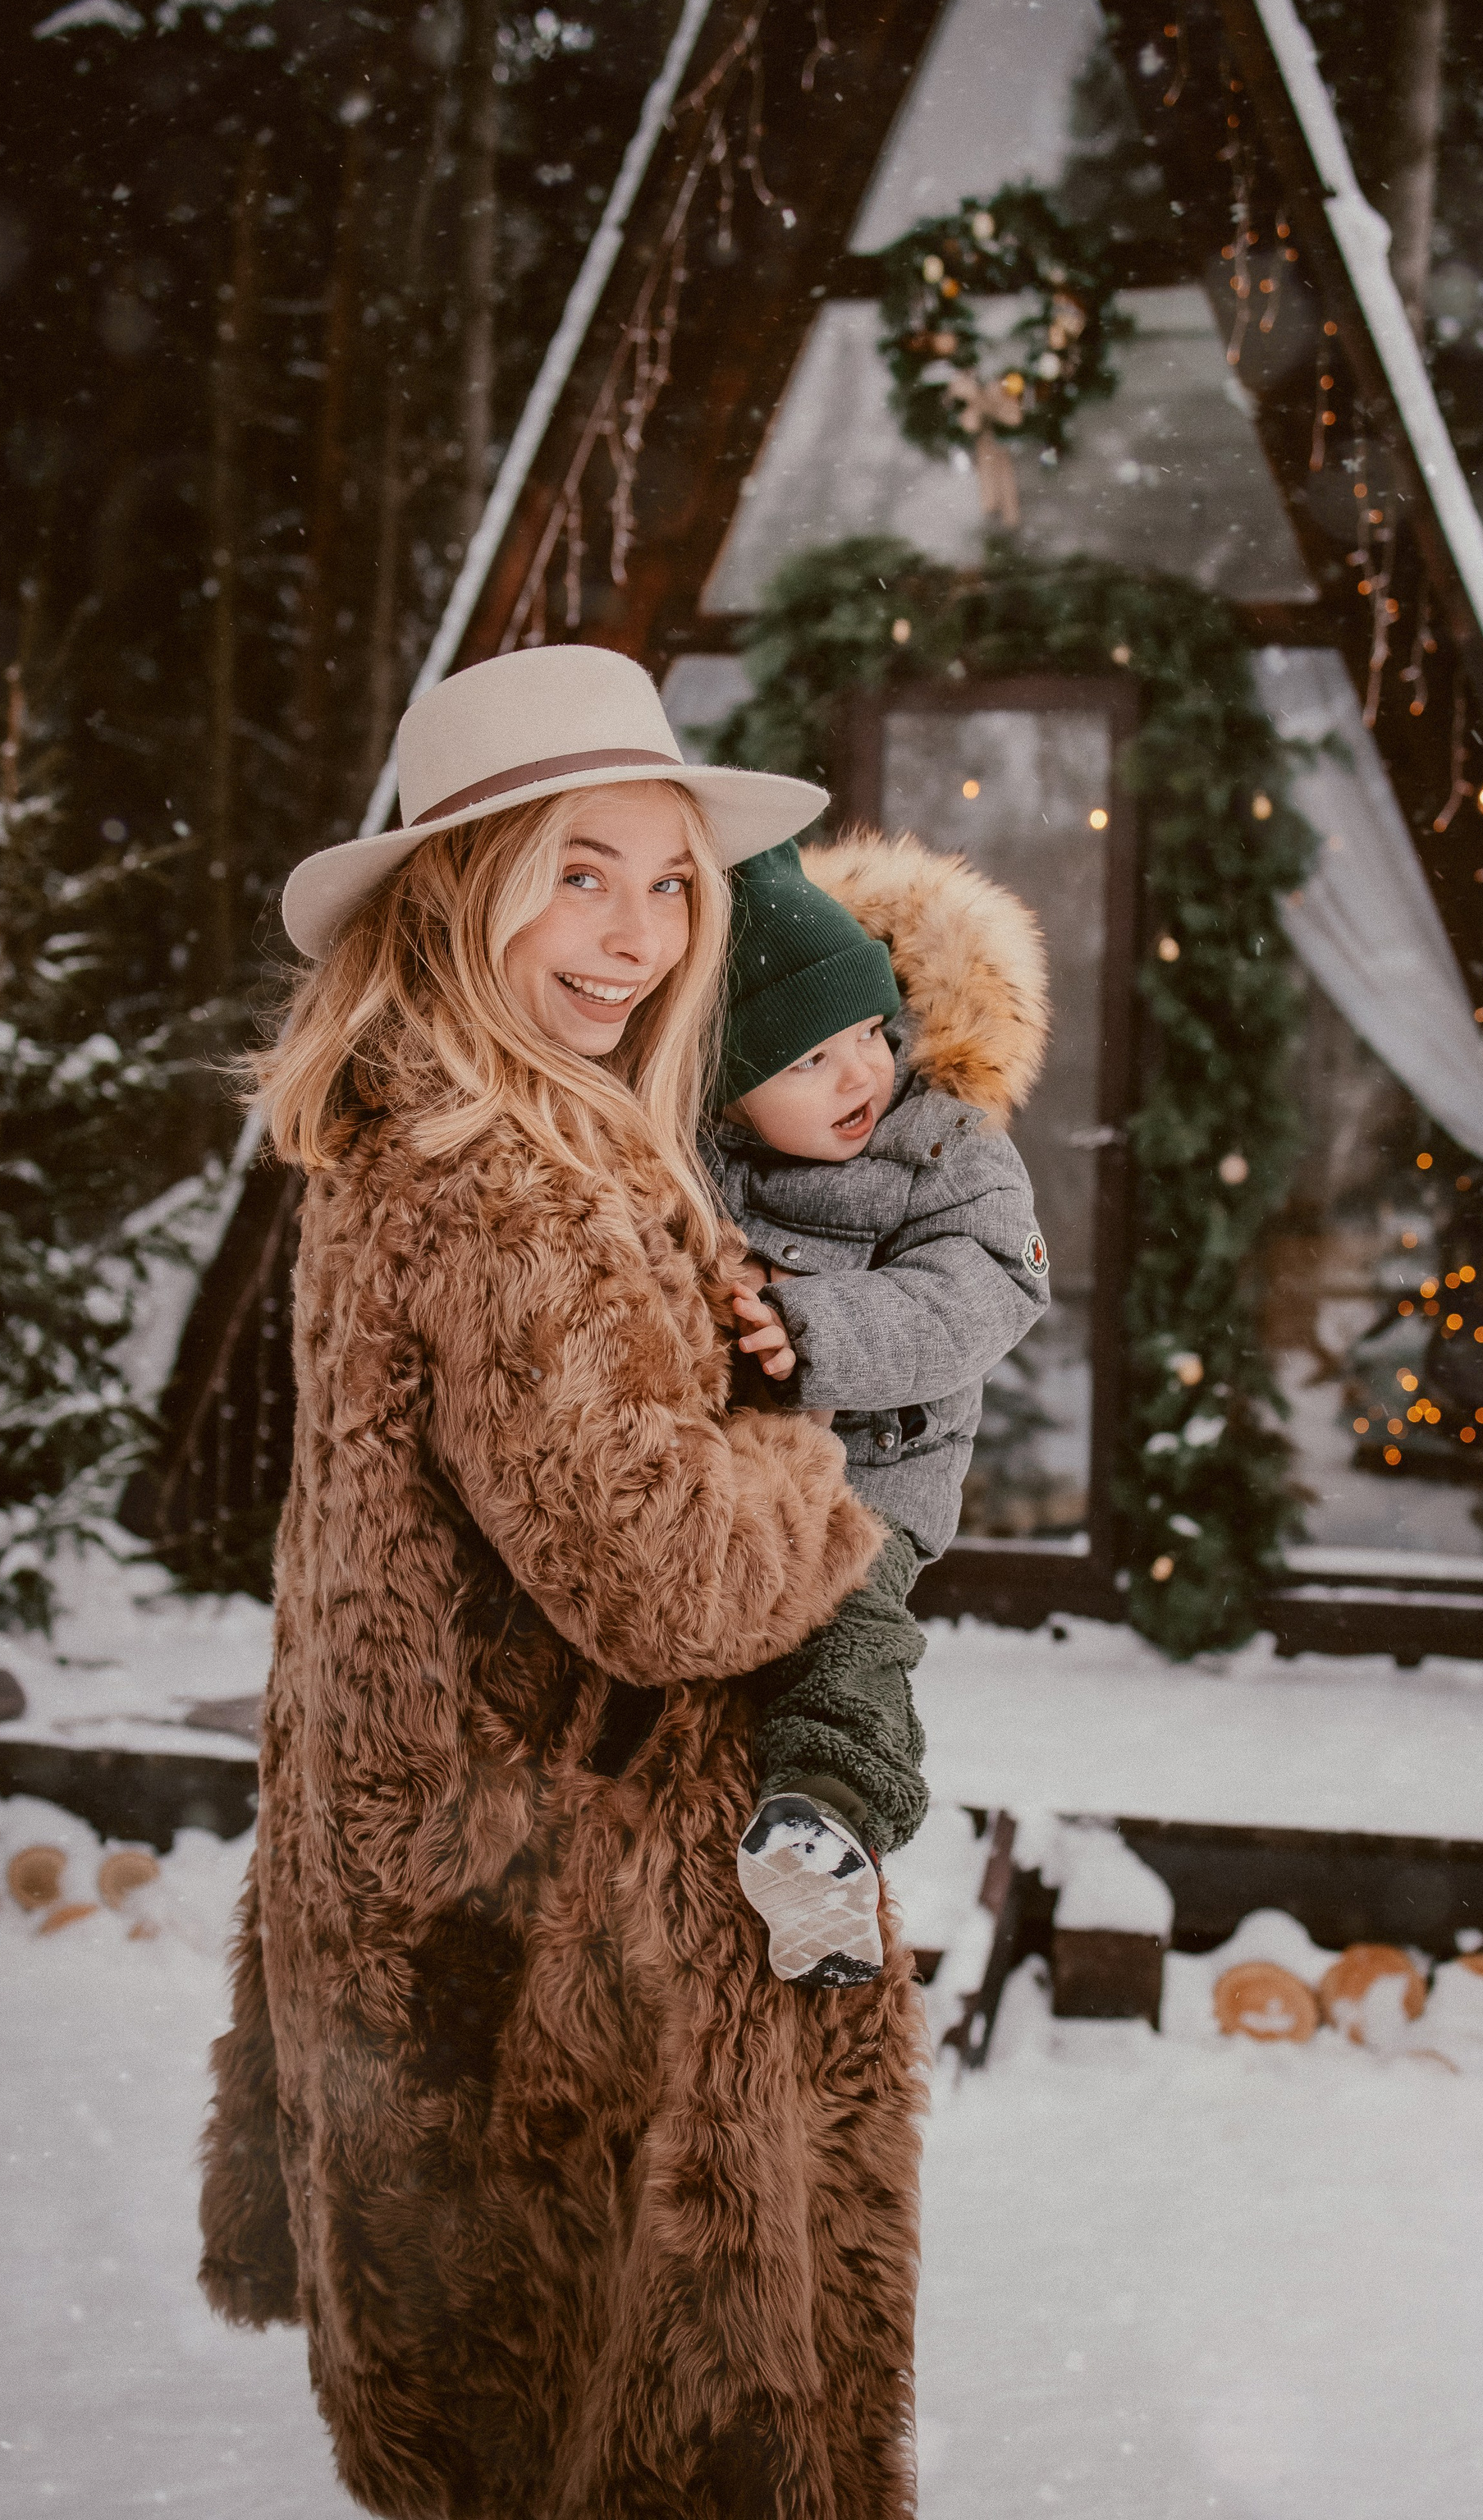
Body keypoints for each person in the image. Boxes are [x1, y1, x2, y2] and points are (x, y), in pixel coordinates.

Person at [196, 645, 926, 2520]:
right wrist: (809, 1454)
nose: (635, 935)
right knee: (637, 2453)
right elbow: (670, 1584)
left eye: (669, 879)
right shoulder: (504, 1181)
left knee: (516, 2455)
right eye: (577, 874)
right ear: (462, 890)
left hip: (469, 1933)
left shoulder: (447, 1132)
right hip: (562, 1980)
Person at [707, 834, 1050, 1988]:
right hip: (727, 1481)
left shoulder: (944, 1144)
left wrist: (815, 1330)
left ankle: (826, 1825)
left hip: (875, 1481)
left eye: (869, 1031)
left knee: (853, 1640)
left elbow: (985, 1289)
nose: (860, 1074)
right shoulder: (702, 1161)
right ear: (727, 1088)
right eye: (810, 1059)